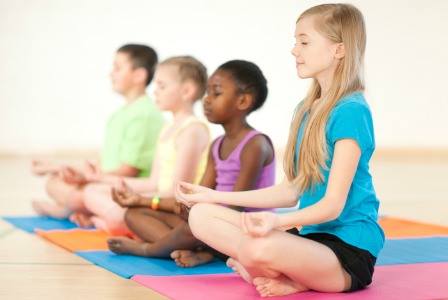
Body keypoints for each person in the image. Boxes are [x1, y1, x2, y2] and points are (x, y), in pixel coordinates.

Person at [176, 3, 384, 297]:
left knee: (258, 246)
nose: (294, 50)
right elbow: (291, 191)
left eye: (304, 41)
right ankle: (285, 273)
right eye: (295, 41)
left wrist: (278, 222)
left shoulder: (352, 111)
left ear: (338, 49)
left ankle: (282, 272)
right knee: (202, 216)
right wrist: (213, 196)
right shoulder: (305, 110)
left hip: (348, 250)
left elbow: (333, 205)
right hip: (308, 241)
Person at [108, 60, 275, 267]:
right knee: (135, 214)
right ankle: (197, 250)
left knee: (195, 224)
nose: (206, 100)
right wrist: (141, 201)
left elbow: (235, 208)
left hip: (241, 227)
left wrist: (197, 213)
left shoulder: (255, 145)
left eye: (216, 93)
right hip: (211, 221)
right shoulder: (217, 145)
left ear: (242, 101)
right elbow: (198, 195)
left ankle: (149, 249)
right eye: (207, 93)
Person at [31, 44, 164, 219]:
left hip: (127, 187)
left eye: (117, 68)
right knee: (55, 182)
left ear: (139, 75)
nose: (110, 74)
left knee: (67, 189)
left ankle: (74, 209)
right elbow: (106, 163)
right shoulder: (121, 114)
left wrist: (88, 178)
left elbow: (129, 171)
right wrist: (64, 169)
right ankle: (82, 209)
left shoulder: (145, 114)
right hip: (105, 181)